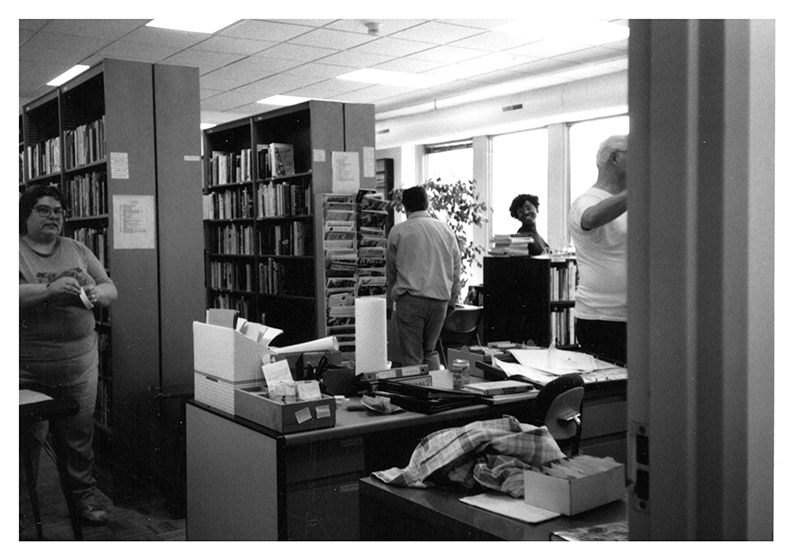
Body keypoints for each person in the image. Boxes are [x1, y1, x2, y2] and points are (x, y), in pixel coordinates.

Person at [19, 184, 118, 525]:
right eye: (44, 210)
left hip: (78, 365)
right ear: (26, 214)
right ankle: (20, 511)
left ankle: (84, 501)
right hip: (24, 369)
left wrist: (96, 291)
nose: (53, 217)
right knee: (24, 445)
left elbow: (110, 288)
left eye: (58, 212)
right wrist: (48, 290)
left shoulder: (77, 249)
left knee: (78, 439)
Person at [568, 135, 628, 365]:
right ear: (615, 157)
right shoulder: (585, 201)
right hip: (602, 318)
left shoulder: (630, 201)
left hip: (634, 315)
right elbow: (591, 217)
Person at [386, 186, 461, 370]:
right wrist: (452, 299)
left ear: (404, 207)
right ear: (427, 204)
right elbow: (456, 268)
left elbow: (391, 273)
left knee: (412, 355)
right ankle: (435, 395)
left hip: (411, 301)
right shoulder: (446, 230)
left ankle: (415, 396)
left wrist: (388, 305)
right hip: (440, 301)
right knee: (430, 350)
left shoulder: (398, 231)